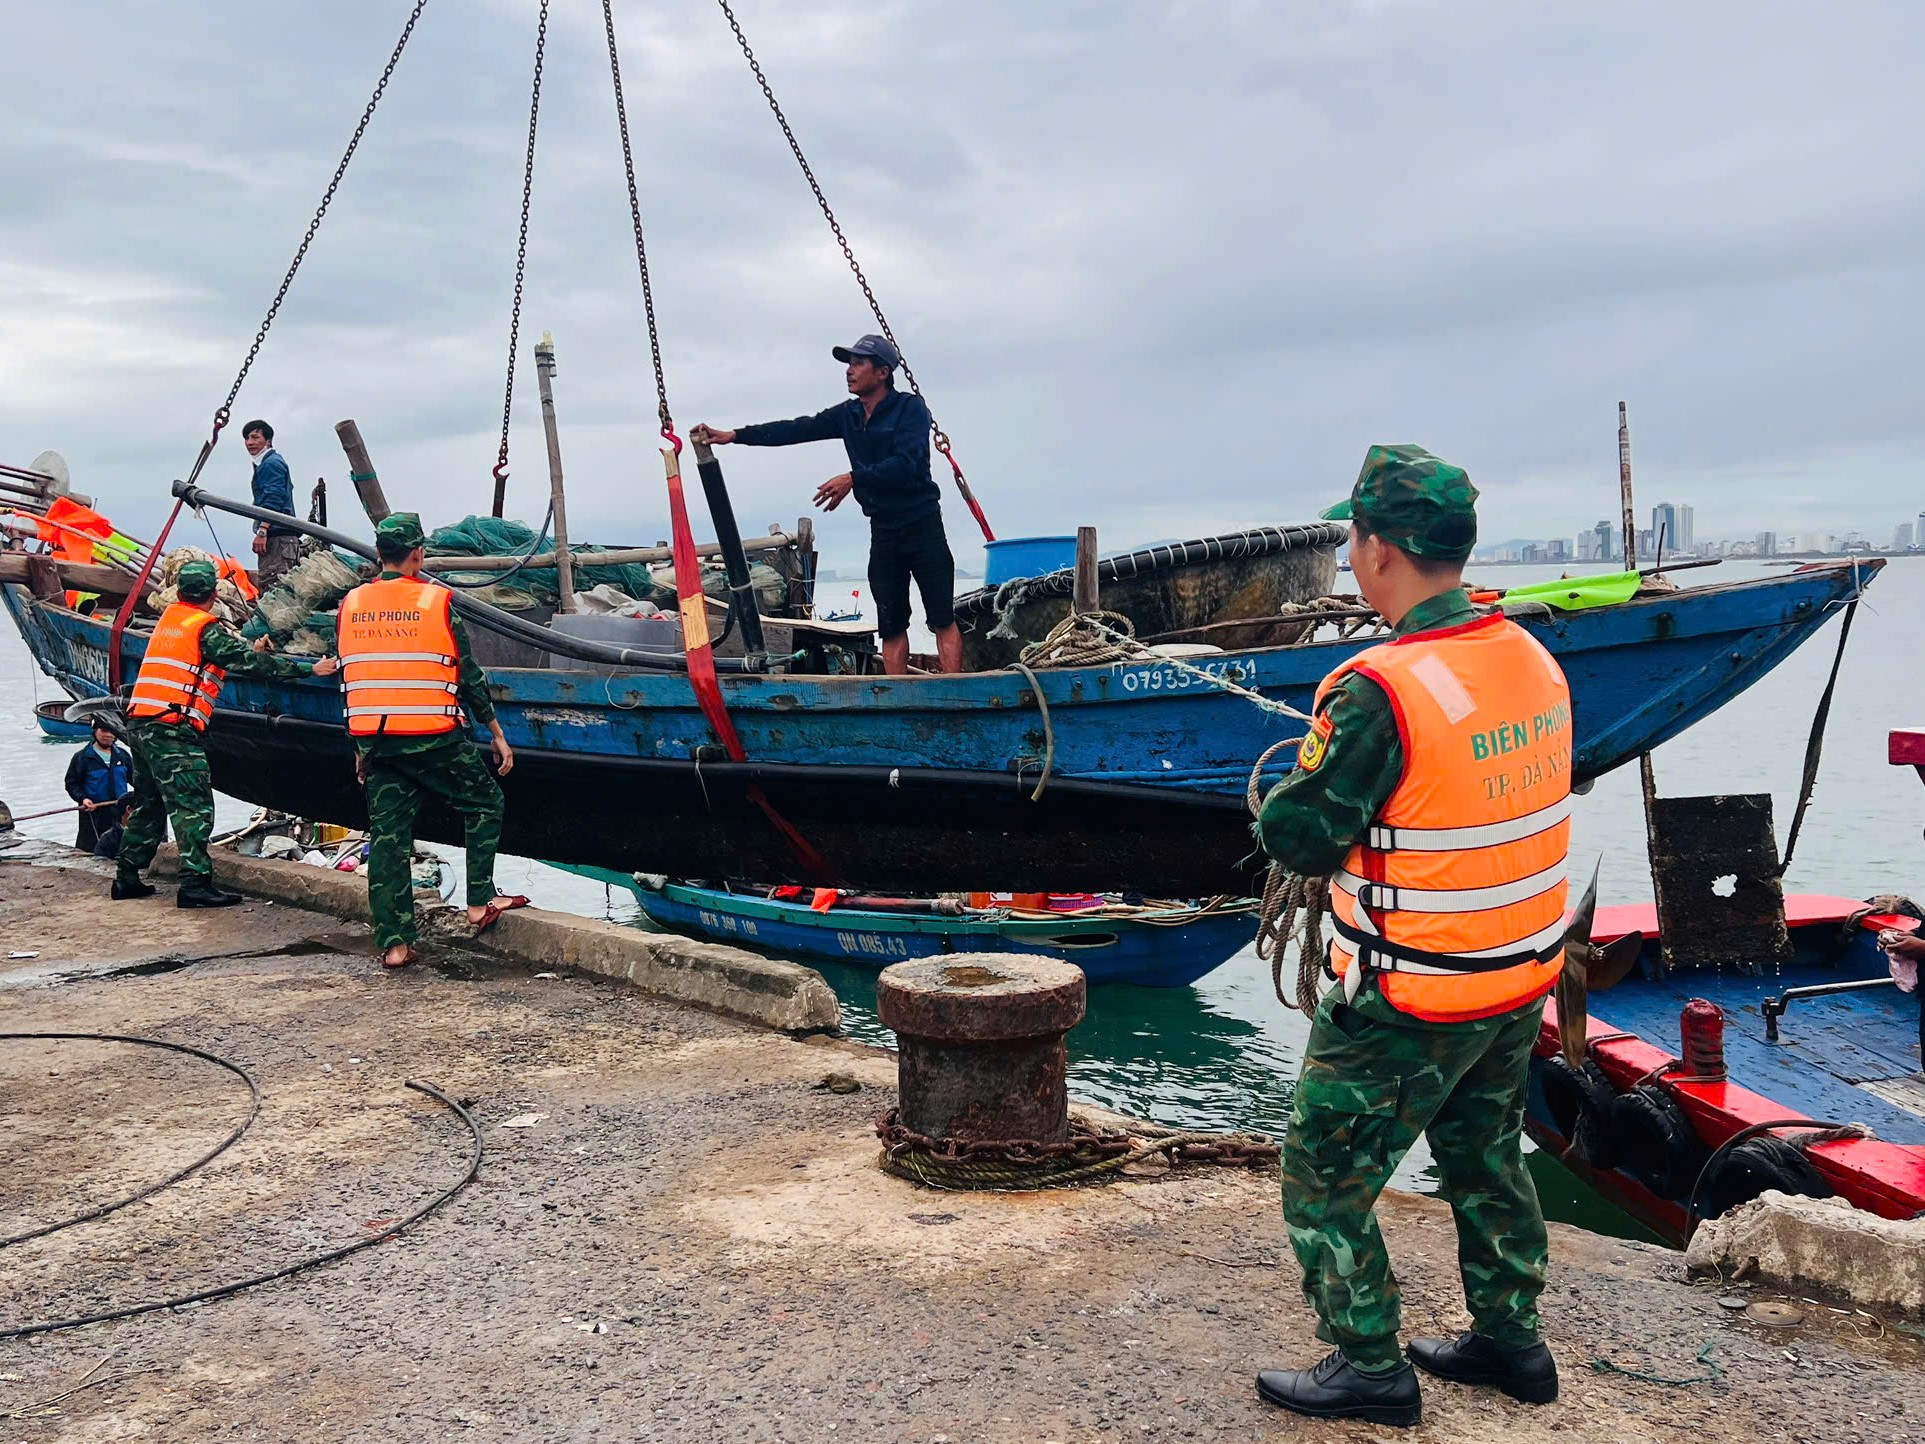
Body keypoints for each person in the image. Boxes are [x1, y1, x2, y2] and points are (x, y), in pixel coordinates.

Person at [1251, 445, 1571, 1428]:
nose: (1350, 556)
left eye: (1351, 537)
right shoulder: (1530, 655)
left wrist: (1274, 792)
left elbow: (1300, 833)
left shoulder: (1374, 690)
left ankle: (1367, 1363)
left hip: (1406, 997)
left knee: (1321, 1179)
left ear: (1378, 548)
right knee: (1484, 1158)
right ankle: (1512, 1342)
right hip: (1514, 984)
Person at [692, 334, 962, 675]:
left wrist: (854, 478)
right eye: (848, 363)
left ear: (882, 372)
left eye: (858, 363)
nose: (849, 370)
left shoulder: (910, 409)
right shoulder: (848, 415)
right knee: (891, 624)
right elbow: (796, 429)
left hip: (923, 524)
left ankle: (953, 690)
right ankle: (900, 699)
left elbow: (908, 463)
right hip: (884, 530)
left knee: (941, 616)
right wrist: (735, 435)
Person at [333, 513, 526, 970]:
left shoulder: (351, 604)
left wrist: (359, 750)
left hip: (377, 742)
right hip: (433, 739)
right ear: (418, 554)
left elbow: (355, 673)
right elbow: (469, 676)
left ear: (379, 554)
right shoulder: (435, 601)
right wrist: (497, 733)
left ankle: (396, 945)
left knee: (388, 839)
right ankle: (479, 902)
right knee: (484, 803)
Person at [116, 558, 339, 907]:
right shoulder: (206, 628)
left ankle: (126, 878)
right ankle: (194, 886)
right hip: (172, 729)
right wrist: (311, 668)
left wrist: (249, 651)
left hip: (140, 722)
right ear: (213, 592)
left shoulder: (171, 621)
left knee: (150, 803)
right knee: (193, 807)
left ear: (180, 591)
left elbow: (214, 659)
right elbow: (252, 665)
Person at [241, 419, 303, 587]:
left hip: (278, 540)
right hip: (282, 540)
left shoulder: (271, 464)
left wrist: (262, 530)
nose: (249, 442)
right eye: (247, 438)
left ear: (267, 441)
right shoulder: (267, 463)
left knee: (274, 589)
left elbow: (274, 499)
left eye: (255, 437)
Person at [64, 722, 135, 856]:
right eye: (104, 730)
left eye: (112, 731)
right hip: (93, 812)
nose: (108, 735)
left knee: (118, 847)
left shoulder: (123, 756)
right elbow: (71, 783)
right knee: (89, 849)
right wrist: (83, 798)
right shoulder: (82, 757)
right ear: (95, 731)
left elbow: (135, 780)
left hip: (118, 811)